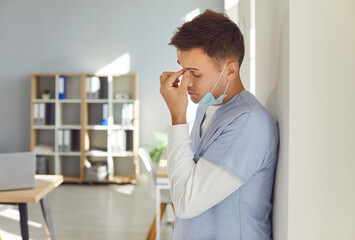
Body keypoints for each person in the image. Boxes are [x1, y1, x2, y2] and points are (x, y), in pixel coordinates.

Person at [159, 9, 279, 240]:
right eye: (183, 70)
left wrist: (178, 118)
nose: (185, 83)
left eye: (195, 73)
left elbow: (186, 202)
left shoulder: (248, 124)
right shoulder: (207, 105)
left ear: (230, 70)